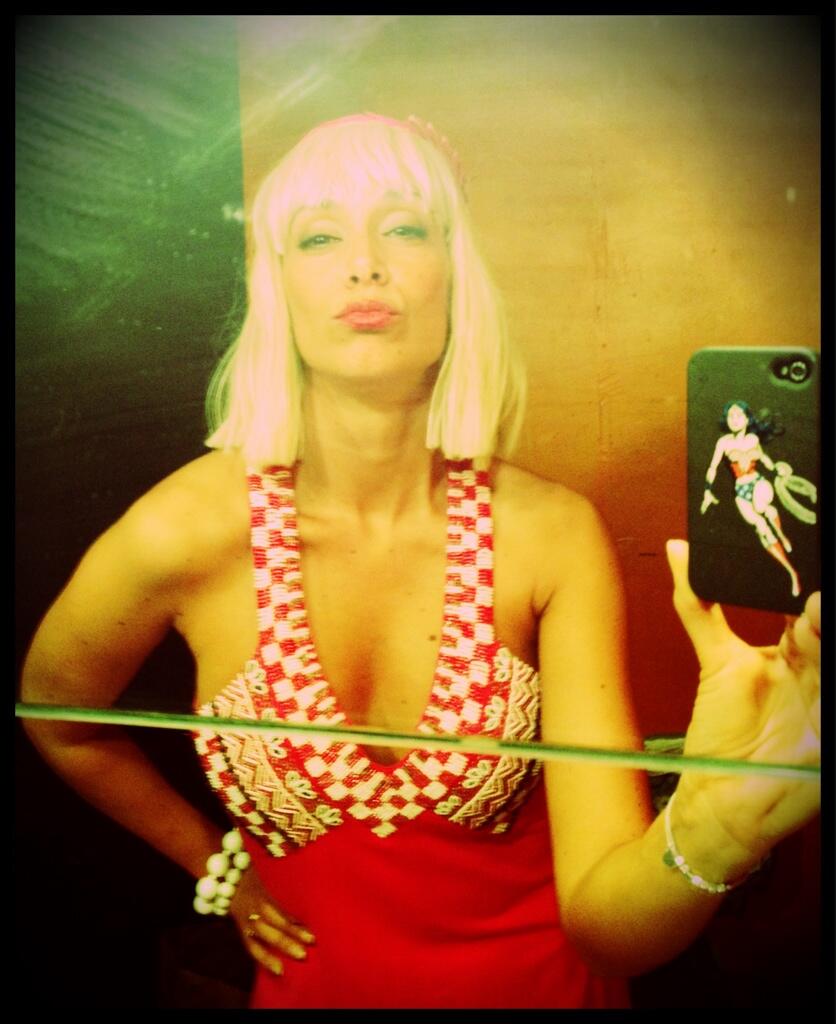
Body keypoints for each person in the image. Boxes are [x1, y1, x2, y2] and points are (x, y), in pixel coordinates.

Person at [21, 114, 821, 1009]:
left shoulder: (552, 535)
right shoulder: (181, 531)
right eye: (319, 237)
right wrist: (216, 866)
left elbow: (608, 930)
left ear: (456, 273)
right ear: (275, 282)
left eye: (404, 228)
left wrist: (716, 826)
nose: (365, 263)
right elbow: (60, 718)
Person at [701, 400, 817, 597]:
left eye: (739, 415)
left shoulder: (753, 439)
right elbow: (713, 467)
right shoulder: (723, 442)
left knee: (762, 508)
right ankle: (792, 573)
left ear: (747, 419)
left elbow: (763, 458)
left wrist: (776, 469)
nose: (734, 420)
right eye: (731, 416)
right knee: (761, 528)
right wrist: (707, 490)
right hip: (741, 491)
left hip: (758, 483)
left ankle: (782, 535)